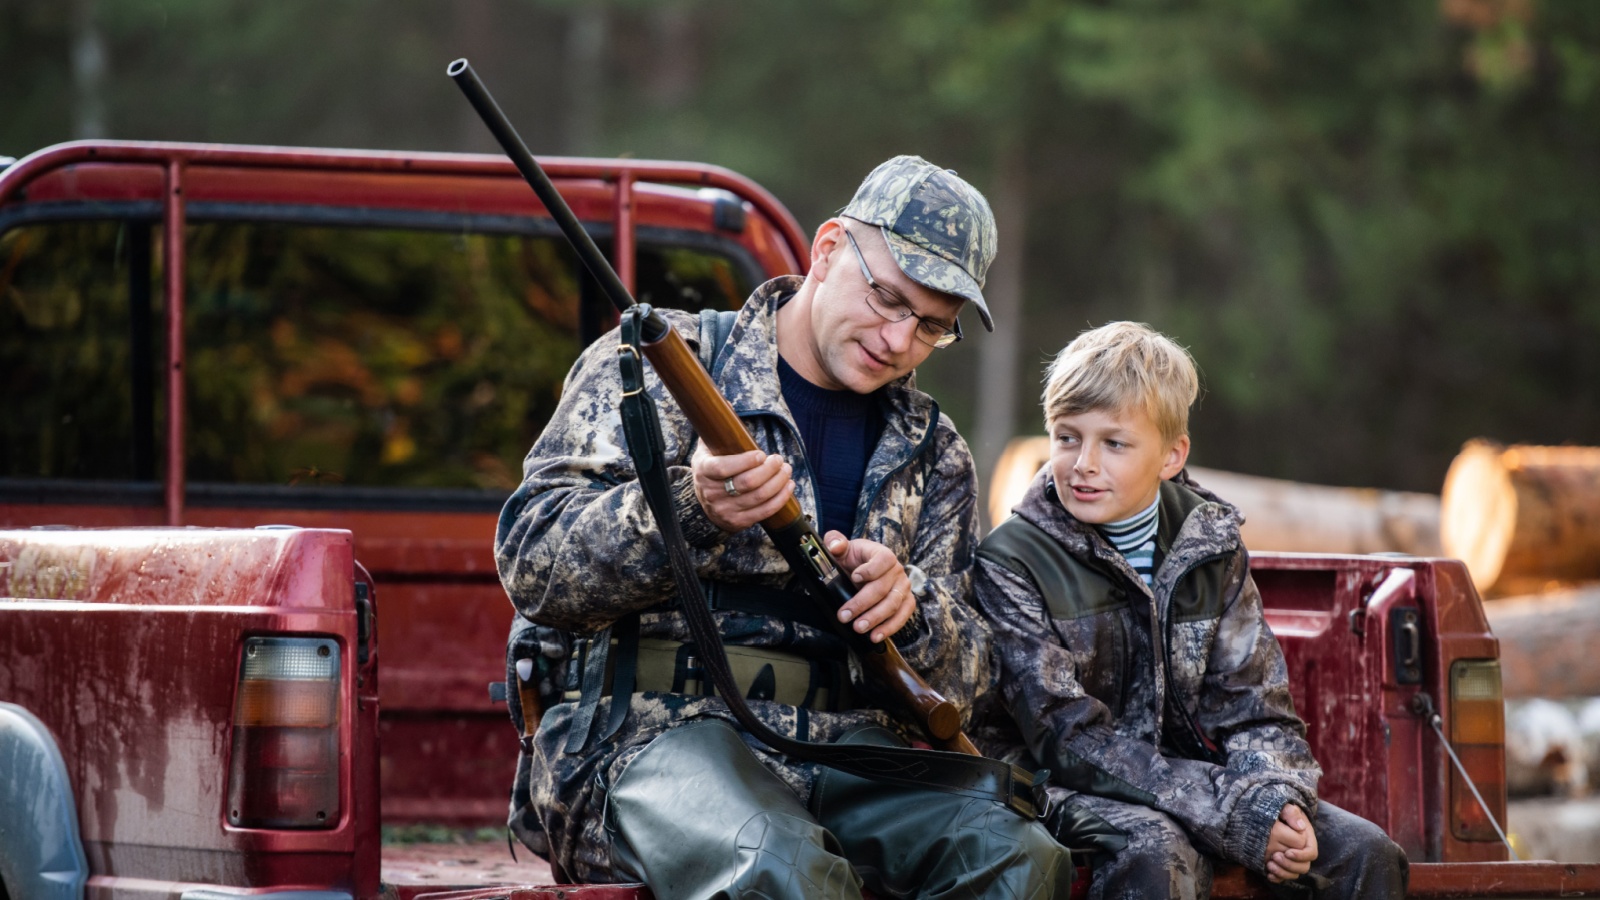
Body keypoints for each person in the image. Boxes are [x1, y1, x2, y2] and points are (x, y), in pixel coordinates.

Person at [495, 156, 1072, 900]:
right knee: (778, 865)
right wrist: (686, 511)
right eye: (888, 299)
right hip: (645, 737)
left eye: (932, 326)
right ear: (827, 250)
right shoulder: (653, 368)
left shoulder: (934, 450)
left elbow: (975, 681)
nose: (899, 341)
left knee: (1020, 856)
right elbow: (532, 561)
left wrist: (915, 609)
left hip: (848, 749)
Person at [971, 322, 1409, 899]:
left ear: (1172, 455)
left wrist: (1278, 801)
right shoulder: (1012, 560)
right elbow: (1066, 739)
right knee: (1157, 849)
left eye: (1115, 443)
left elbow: (1255, 707)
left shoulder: (1208, 547)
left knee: (1364, 851)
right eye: (1066, 437)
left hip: (1194, 785)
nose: (1083, 463)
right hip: (1047, 783)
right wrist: (1233, 810)